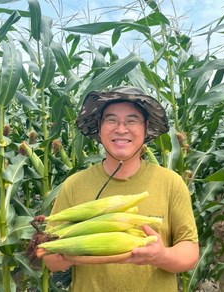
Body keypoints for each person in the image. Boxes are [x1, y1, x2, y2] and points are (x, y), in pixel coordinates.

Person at [43, 86, 199, 291]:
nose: (121, 129)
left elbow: (190, 253)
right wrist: (68, 251)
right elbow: (50, 260)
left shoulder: (170, 183)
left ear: (146, 127)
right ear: (99, 126)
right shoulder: (74, 185)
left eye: (132, 120)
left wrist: (161, 256)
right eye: (111, 120)